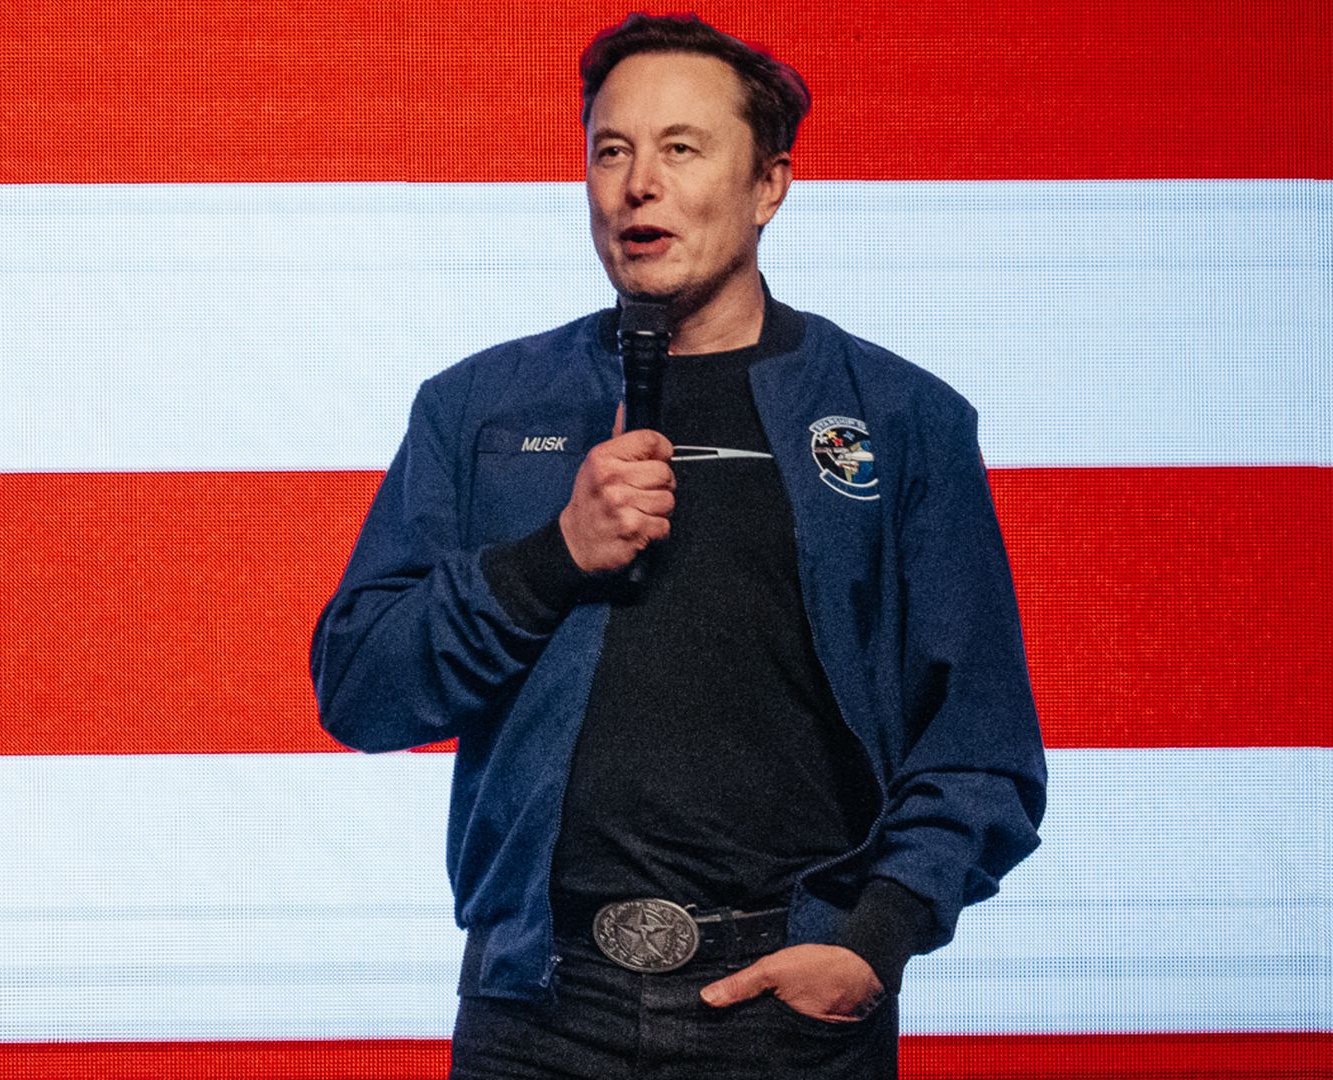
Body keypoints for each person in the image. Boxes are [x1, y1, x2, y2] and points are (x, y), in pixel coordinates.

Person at [311, 13, 1046, 1079]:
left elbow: (981, 744)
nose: (636, 184)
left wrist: (873, 937)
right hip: (541, 1008)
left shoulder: (898, 419)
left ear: (769, 186)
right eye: (611, 150)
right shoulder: (480, 408)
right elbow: (363, 687)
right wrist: (552, 555)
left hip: (790, 1014)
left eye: (682, 149)